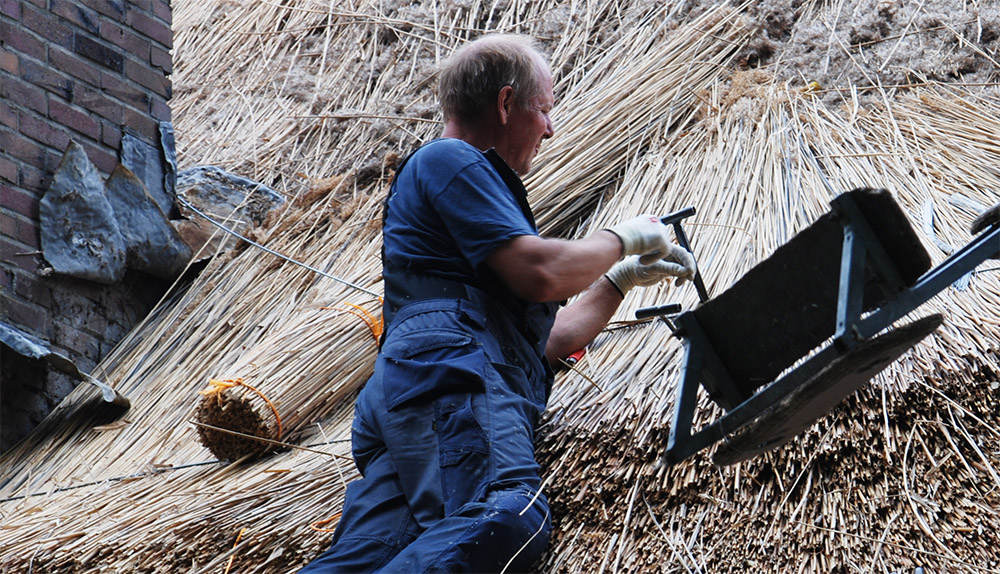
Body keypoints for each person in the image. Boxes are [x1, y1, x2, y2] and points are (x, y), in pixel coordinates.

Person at [300, 34, 695, 574]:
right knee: (506, 517)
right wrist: (623, 238)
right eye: (544, 110)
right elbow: (542, 273)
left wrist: (618, 282)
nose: (550, 129)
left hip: (418, 393)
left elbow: (545, 343)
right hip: (447, 372)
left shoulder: (464, 204)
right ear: (506, 104)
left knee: (372, 557)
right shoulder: (450, 160)